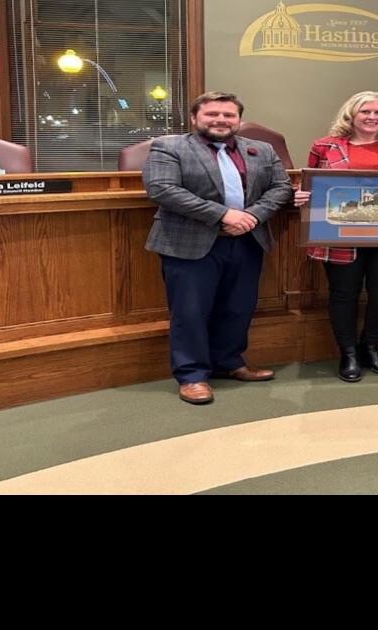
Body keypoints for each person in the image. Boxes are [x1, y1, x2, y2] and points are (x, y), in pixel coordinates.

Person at [143, 91, 292, 404]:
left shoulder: (261, 149)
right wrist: (223, 214)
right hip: (189, 242)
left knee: (238, 307)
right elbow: (162, 189)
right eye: (212, 114)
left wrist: (251, 216)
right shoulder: (170, 147)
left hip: (247, 240)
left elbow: (281, 188)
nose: (221, 120)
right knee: (190, 312)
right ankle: (192, 375)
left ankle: (229, 363)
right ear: (195, 118)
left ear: (238, 119)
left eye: (228, 115)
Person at [293, 91, 378, 383]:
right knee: (343, 294)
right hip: (339, 233)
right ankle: (349, 353)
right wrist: (302, 194)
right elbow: (310, 183)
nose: (371, 117)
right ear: (351, 115)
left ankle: (370, 347)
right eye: (365, 111)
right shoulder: (325, 146)